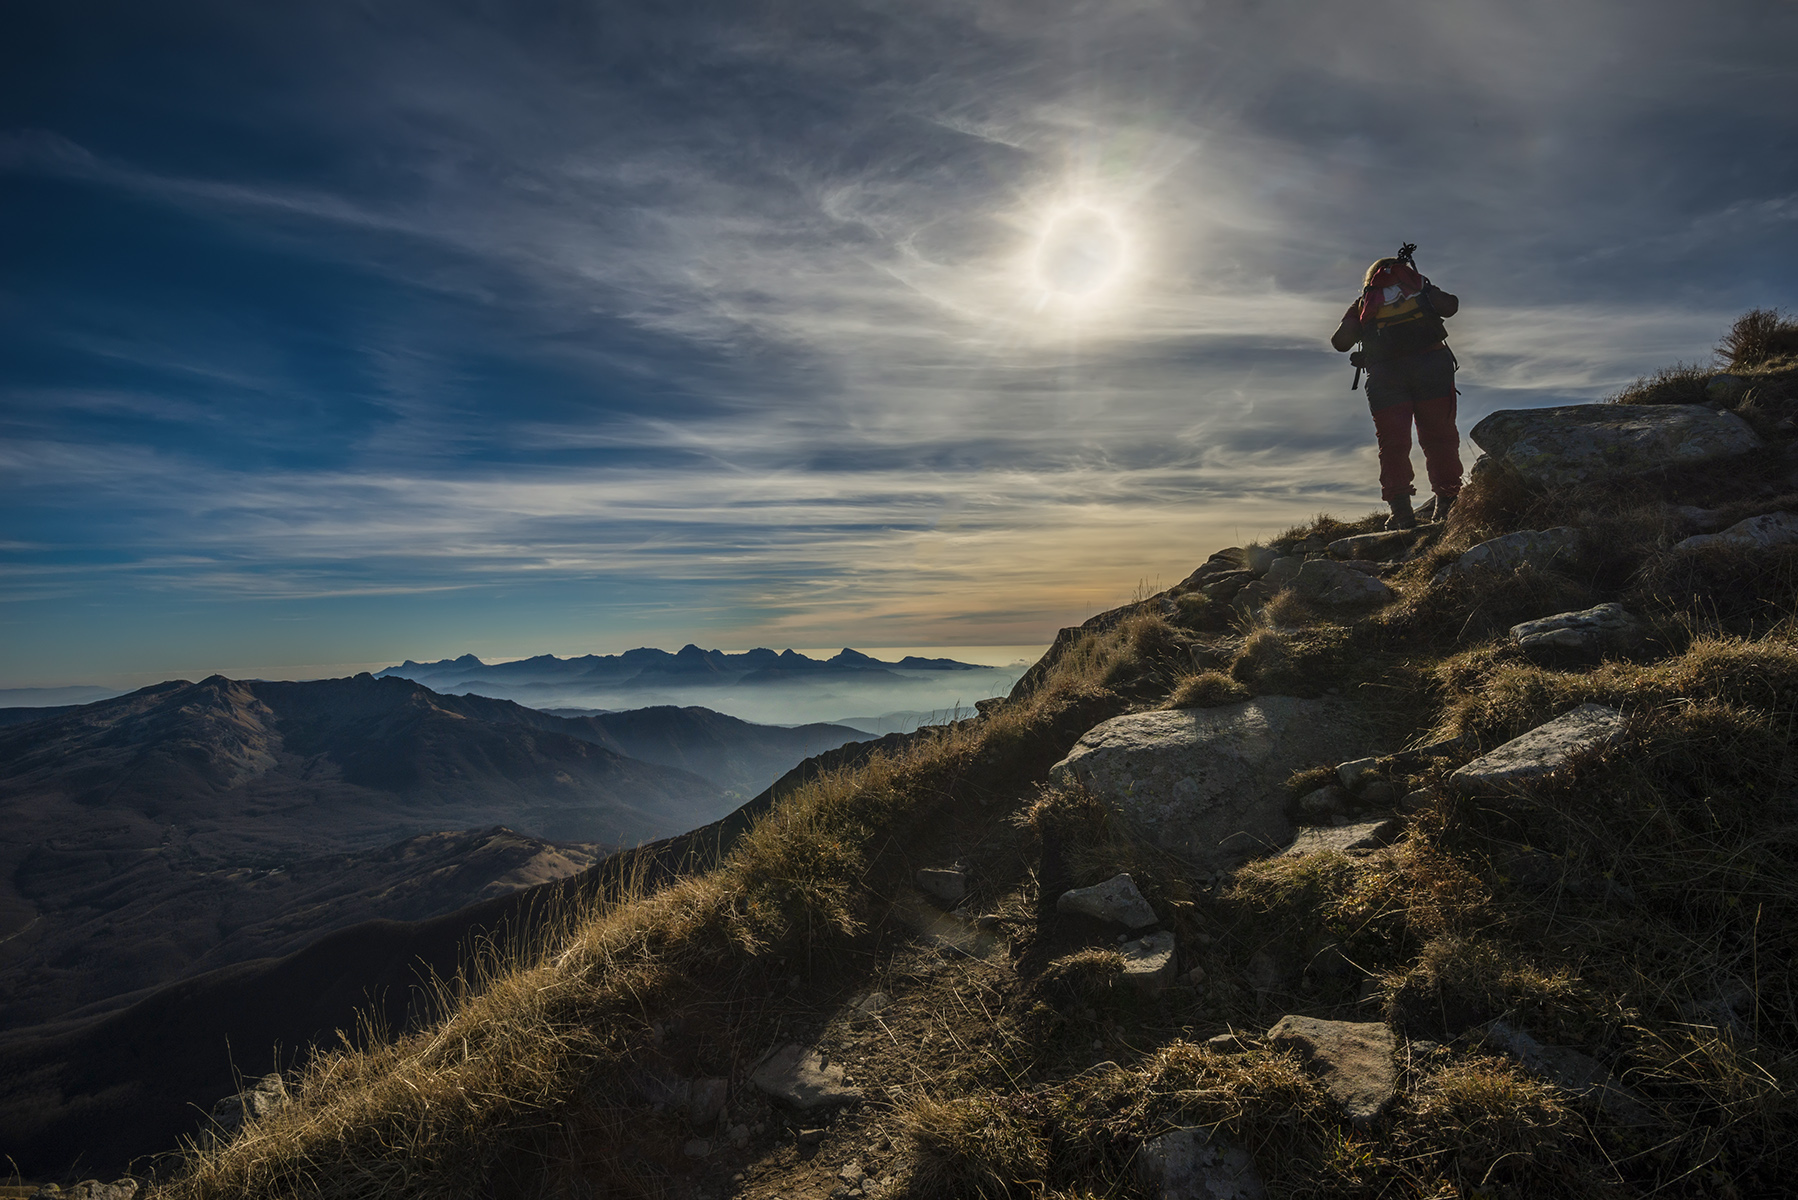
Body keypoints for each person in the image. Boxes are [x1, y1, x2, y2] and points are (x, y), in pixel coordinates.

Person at [1331, 251, 1464, 529]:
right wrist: (1421, 286)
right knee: (1440, 438)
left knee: (1393, 445)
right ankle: (1448, 504)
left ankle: (1401, 512)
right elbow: (1450, 307)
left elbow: (1340, 342)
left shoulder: (1365, 301)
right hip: (1433, 368)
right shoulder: (1418, 287)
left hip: (1385, 377)